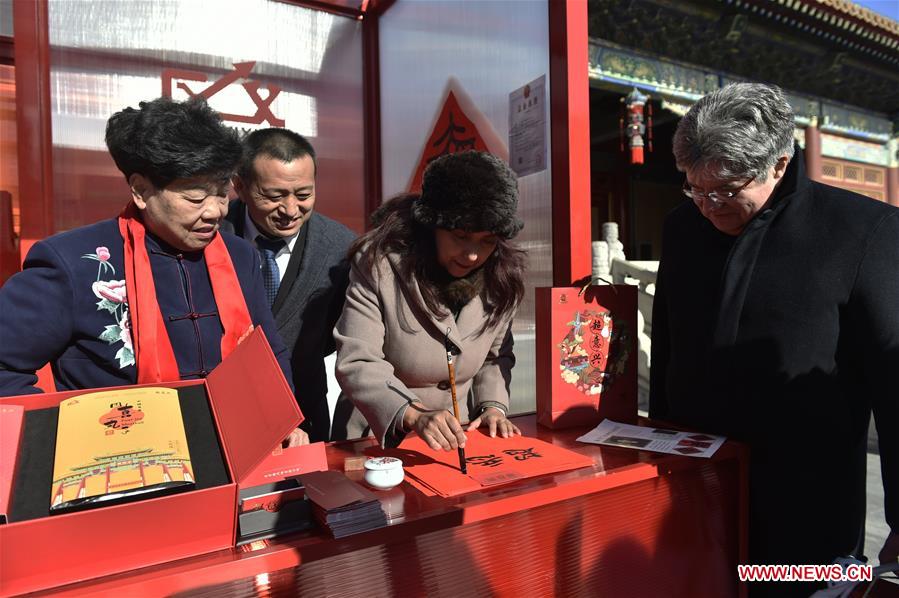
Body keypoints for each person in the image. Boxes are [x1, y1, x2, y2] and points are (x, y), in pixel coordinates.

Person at [649, 83, 898, 595]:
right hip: (697, 485)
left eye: (723, 191)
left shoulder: (864, 232)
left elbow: (896, 382)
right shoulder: (682, 228)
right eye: (694, 189)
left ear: (779, 164)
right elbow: (670, 340)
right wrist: (658, 444)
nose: (707, 206)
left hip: (809, 498)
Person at [0, 97, 307, 445]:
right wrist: (51, 438)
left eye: (222, 195)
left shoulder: (240, 256)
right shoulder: (74, 263)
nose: (214, 212)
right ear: (141, 190)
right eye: (195, 199)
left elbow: (268, 352)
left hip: (237, 449)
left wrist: (281, 418)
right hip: (116, 461)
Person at [333, 151, 526, 449]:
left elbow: (495, 357)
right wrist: (414, 414)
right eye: (460, 236)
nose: (473, 255)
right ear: (431, 225)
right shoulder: (379, 264)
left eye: (487, 241)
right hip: (375, 436)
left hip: (453, 440)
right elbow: (359, 359)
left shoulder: (500, 278)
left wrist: (492, 406)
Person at [225, 128, 356, 442]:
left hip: (302, 410)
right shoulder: (211, 235)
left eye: (303, 194)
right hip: (223, 408)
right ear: (239, 186)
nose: (290, 210)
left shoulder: (340, 247)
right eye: (274, 196)